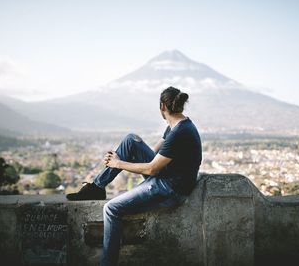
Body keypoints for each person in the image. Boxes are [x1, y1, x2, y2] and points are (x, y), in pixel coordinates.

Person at [66, 86, 202, 266]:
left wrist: (118, 163)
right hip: (167, 177)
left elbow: (152, 169)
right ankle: (97, 187)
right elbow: (154, 155)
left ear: (162, 106)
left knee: (111, 209)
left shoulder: (179, 133)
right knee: (131, 140)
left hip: (170, 189)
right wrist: (127, 155)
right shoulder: (177, 125)